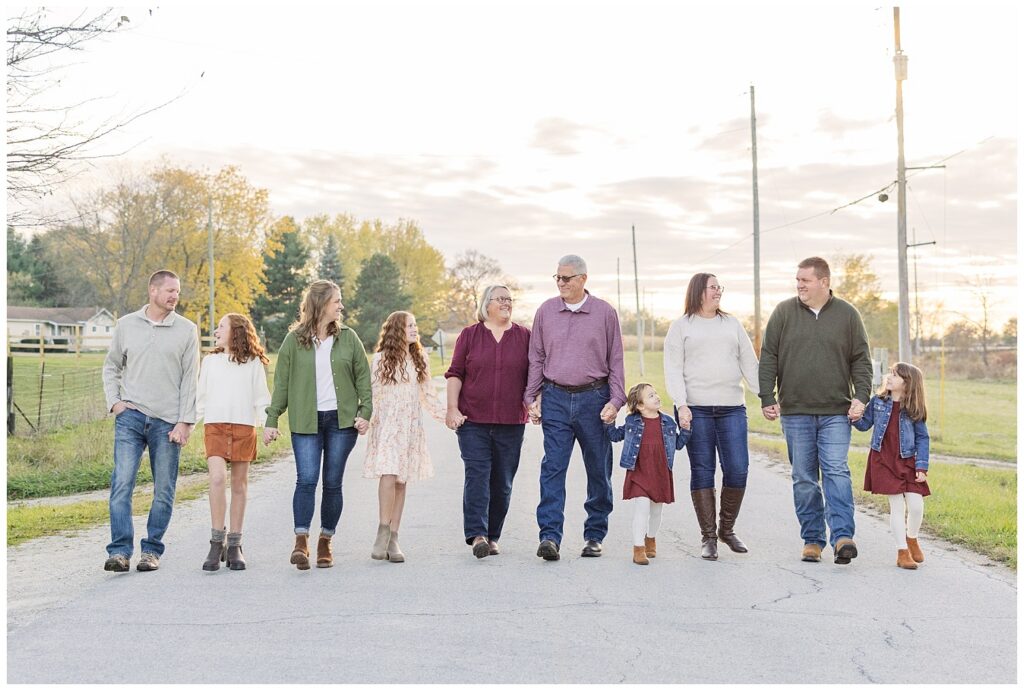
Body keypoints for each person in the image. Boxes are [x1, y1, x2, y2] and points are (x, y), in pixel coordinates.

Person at [759, 256, 873, 565]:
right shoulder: (783, 312)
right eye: (797, 281)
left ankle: (842, 537)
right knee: (804, 477)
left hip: (837, 410)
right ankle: (812, 538)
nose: (799, 286)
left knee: (836, 470)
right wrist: (766, 396)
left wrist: (861, 397)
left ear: (824, 282)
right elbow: (768, 356)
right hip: (795, 411)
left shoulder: (848, 315)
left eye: (805, 281)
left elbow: (861, 360)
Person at [264, 280, 371, 571]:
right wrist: (272, 419)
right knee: (306, 479)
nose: (341, 305)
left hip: (342, 421)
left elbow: (364, 378)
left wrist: (365, 412)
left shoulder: (349, 338)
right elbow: (281, 384)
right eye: (337, 300)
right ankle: (301, 541)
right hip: (306, 420)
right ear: (321, 303)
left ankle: (325, 540)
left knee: (333, 483)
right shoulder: (293, 340)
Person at [525, 254, 626, 561]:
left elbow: (616, 361)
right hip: (555, 398)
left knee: (598, 468)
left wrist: (616, 400)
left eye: (566, 278)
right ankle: (550, 537)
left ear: (583, 279)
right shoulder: (545, 312)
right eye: (557, 278)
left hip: (594, 400)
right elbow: (536, 358)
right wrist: (531, 397)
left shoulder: (605, 313)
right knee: (552, 467)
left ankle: (595, 534)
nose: (560, 283)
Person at [101, 270, 199, 572]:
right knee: (122, 483)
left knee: (164, 489)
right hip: (131, 416)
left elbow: (190, 380)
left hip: (168, 422)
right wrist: (115, 403)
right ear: (153, 291)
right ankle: (119, 551)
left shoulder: (187, 330)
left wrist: (185, 422)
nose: (174, 296)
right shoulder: (126, 325)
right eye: (169, 290)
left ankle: (151, 550)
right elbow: (111, 366)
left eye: (177, 292)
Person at [664, 272, 759, 561]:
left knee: (738, 469)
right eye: (713, 287)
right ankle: (708, 537)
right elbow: (673, 368)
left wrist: (766, 397)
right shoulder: (681, 327)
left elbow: (748, 363)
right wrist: (681, 404)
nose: (718, 292)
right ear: (698, 292)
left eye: (720, 287)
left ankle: (726, 529)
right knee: (703, 471)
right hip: (697, 409)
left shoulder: (731, 324)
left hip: (731, 407)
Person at [445, 285, 531, 559]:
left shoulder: (524, 337)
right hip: (473, 420)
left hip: (511, 421)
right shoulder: (469, 335)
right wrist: (451, 408)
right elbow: (455, 373)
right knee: (477, 475)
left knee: (502, 481)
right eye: (501, 299)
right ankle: (477, 535)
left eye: (509, 299)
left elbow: (534, 376)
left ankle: (493, 535)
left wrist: (536, 403)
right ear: (487, 304)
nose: (506, 303)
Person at [363, 311, 447, 563]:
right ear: (397, 330)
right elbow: (372, 395)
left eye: (415, 325)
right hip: (387, 425)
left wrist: (449, 417)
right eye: (410, 325)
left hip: (409, 428)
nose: (415, 329)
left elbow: (428, 395)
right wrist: (365, 419)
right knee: (388, 474)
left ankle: (394, 537)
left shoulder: (419, 358)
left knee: (401, 480)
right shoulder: (379, 360)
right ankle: (382, 530)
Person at [196, 313, 272, 571]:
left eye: (221, 327)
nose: (216, 331)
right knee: (217, 478)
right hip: (215, 426)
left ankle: (235, 544)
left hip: (243, 426)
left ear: (236, 331)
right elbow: (201, 397)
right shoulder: (210, 361)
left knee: (239, 484)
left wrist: (266, 426)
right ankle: (216, 542)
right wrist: (186, 426)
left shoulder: (253, 363)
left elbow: (261, 399)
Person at [853, 362, 931, 570]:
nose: (889, 377)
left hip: (908, 461)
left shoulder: (914, 408)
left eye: (895, 376)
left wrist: (921, 467)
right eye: (890, 373)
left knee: (916, 506)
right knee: (897, 506)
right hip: (883, 460)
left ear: (907, 384)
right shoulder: (877, 402)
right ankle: (902, 551)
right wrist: (853, 416)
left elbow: (923, 438)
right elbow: (864, 425)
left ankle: (912, 538)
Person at [605, 383, 690, 565]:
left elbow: (678, 444)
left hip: (660, 471)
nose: (657, 396)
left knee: (656, 511)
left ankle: (650, 538)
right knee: (642, 508)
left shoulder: (668, 422)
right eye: (651, 395)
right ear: (640, 406)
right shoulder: (631, 422)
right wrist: (609, 420)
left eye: (656, 393)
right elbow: (614, 435)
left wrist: (686, 429)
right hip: (639, 471)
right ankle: (638, 549)